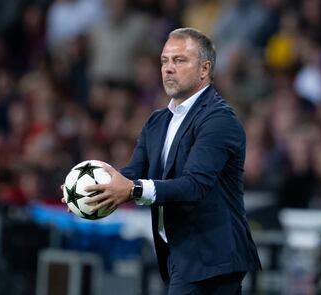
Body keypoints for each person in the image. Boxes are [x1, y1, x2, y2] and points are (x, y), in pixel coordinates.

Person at [63, 27, 261, 294]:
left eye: (179, 60)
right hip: (179, 256)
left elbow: (194, 186)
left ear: (204, 69)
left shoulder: (219, 120)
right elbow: (131, 174)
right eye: (164, 61)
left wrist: (133, 190)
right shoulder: (157, 121)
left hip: (212, 259)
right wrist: (90, 192)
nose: (168, 68)